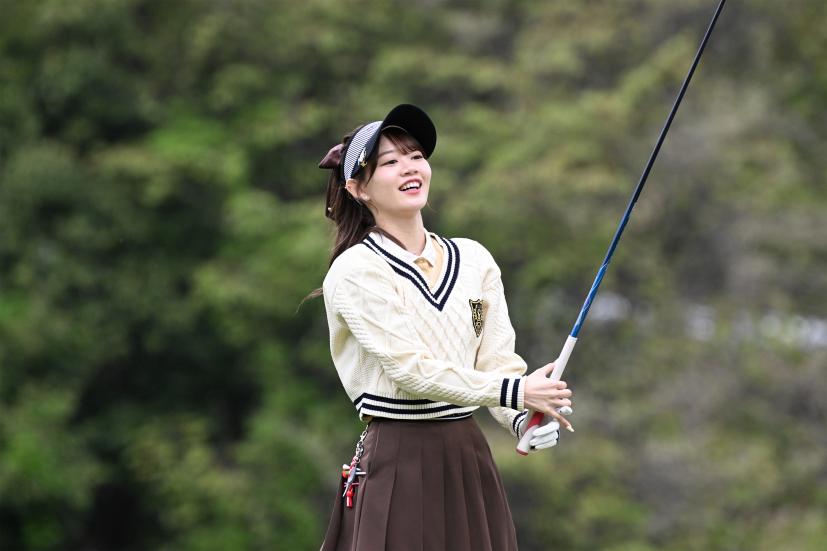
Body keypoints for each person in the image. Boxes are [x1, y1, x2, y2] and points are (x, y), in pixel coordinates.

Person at [315, 104, 573, 551]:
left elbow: (496, 361)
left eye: (416, 156)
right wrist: (517, 393)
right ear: (358, 188)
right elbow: (410, 370)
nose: (410, 168)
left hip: (468, 455)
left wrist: (522, 419)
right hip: (398, 458)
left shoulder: (474, 260)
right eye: (390, 162)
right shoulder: (356, 270)